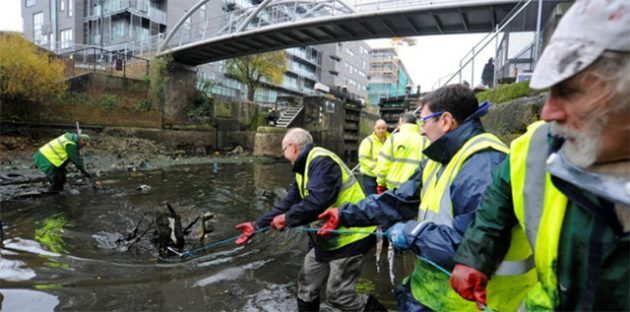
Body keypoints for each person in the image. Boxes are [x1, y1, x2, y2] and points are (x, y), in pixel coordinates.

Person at [450, 1, 630, 310]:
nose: (546, 112)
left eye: (570, 91)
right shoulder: (536, 145)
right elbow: (498, 199)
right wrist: (474, 256)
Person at [318, 84, 532, 311]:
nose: (421, 130)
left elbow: (473, 245)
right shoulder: (438, 158)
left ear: (446, 121)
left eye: (424, 121)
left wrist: (413, 233)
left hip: (470, 303)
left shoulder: (482, 163)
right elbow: (399, 199)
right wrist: (345, 214)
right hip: (434, 294)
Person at [233, 128, 386, 312]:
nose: (284, 156)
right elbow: (288, 203)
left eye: (283, 151)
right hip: (324, 240)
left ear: (292, 147)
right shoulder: (302, 170)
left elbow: (319, 200)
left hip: (351, 236)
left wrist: (288, 219)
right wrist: (257, 225)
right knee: (306, 287)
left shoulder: (321, 161)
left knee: (339, 296)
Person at [375, 112, 427, 194]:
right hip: (416, 191)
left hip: (393, 190)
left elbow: (383, 165)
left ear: (402, 121)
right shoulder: (425, 141)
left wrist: (381, 184)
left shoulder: (392, 139)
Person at [358, 119, 390, 195]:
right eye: (378, 128)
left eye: (383, 128)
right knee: (371, 200)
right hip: (370, 177)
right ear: (374, 128)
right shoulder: (368, 141)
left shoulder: (391, 140)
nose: (381, 130)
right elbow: (363, 159)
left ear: (386, 128)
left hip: (386, 177)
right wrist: (377, 170)